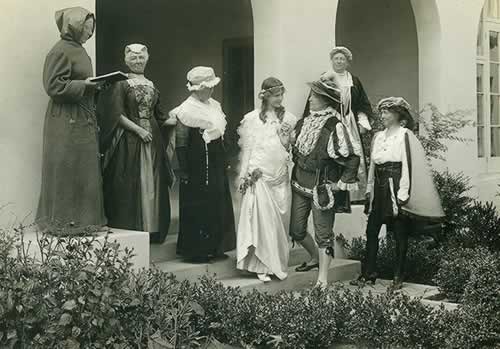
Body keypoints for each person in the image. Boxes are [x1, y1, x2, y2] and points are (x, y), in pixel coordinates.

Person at [350, 97, 445, 289]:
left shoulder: (404, 135)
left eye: (387, 112)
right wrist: (369, 190)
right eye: (382, 112)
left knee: (399, 233)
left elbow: (408, 167)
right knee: (372, 231)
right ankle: (369, 273)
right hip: (379, 186)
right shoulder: (378, 136)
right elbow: (373, 166)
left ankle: (398, 276)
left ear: (397, 114)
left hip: (396, 185)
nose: (382, 115)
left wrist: (403, 194)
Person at [97, 44, 175, 244]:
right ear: (126, 60)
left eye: (141, 58)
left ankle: (153, 229)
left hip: (153, 142)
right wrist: (139, 130)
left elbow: (159, 117)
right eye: (134, 58)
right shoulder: (121, 84)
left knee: (153, 182)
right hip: (130, 141)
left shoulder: (151, 84)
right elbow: (116, 114)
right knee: (131, 181)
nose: (138, 61)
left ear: (147, 59)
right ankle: (133, 229)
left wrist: (179, 118)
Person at [37, 7, 107, 229]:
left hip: (82, 115)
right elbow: (53, 85)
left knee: (84, 169)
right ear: (74, 27)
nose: (89, 33)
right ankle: (64, 223)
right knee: (67, 168)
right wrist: (85, 85)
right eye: (86, 29)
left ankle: (85, 222)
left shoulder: (79, 50)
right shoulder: (60, 51)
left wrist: (95, 86)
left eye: (91, 29)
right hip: (66, 119)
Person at [290, 79, 361, 288]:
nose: (310, 98)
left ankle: (322, 279)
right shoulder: (304, 122)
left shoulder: (335, 125)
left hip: (322, 188)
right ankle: (314, 258)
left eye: (314, 96)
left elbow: (353, 158)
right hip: (299, 184)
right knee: (296, 230)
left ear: (325, 100)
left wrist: (341, 183)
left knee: (323, 235)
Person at [170, 66, 236, 263]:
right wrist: (184, 169)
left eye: (212, 87)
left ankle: (216, 246)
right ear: (197, 88)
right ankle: (197, 250)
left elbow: (221, 134)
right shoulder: (186, 110)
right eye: (208, 87)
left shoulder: (214, 105)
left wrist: (224, 158)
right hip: (195, 162)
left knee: (217, 200)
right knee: (198, 203)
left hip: (215, 159)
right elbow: (181, 142)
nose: (211, 91)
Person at [236, 77, 297, 282]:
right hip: (259, 174)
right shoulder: (252, 118)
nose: (279, 99)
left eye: (281, 95)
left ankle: (275, 263)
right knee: (262, 221)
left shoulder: (288, 118)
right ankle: (260, 265)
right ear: (266, 96)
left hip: (279, 175)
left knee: (278, 221)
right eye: (276, 95)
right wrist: (245, 174)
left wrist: (286, 138)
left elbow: (287, 148)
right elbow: (248, 148)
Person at [304, 46, 373, 202]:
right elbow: (315, 100)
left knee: (352, 155)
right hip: (330, 121)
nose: (339, 61)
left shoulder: (354, 80)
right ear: (332, 60)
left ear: (347, 62)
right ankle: (332, 193)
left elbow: (362, 103)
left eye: (342, 59)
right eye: (336, 58)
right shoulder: (325, 78)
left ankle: (354, 195)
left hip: (349, 121)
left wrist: (362, 122)